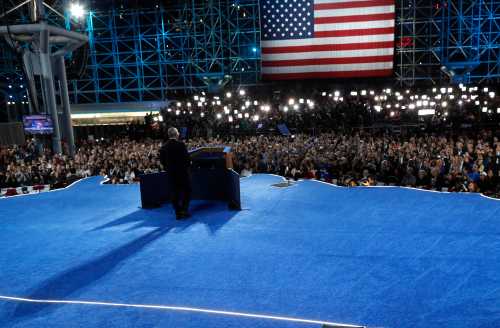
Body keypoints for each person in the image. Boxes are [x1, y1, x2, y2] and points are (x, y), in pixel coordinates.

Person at [159, 127, 192, 220]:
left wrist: (168, 169)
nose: (179, 133)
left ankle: (178, 212)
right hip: (183, 173)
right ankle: (184, 210)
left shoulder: (164, 147)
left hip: (171, 174)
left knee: (174, 193)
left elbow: (162, 161)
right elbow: (187, 159)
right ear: (176, 134)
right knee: (187, 190)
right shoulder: (181, 145)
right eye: (178, 132)